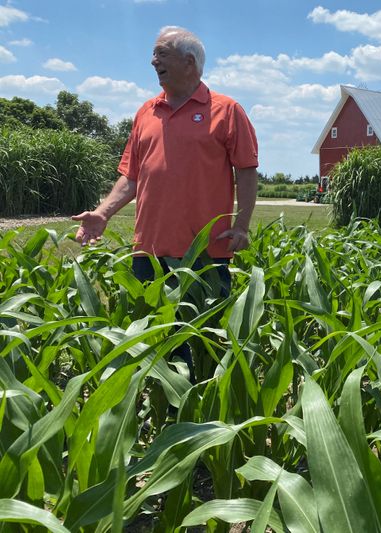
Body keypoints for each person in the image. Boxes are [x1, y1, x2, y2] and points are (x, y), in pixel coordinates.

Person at [72, 26, 259, 380]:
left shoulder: (227, 110)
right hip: (150, 251)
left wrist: (242, 225)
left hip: (205, 251)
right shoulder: (147, 111)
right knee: (157, 341)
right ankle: (163, 410)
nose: (153, 61)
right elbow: (131, 176)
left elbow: (247, 170)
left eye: (161, 54)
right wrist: (102, 213)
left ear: (189, 62)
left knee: (206, 344)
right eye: (154, 54)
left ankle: (202, 416)